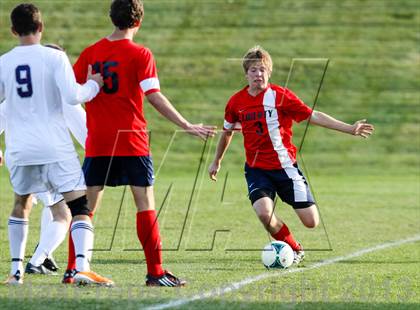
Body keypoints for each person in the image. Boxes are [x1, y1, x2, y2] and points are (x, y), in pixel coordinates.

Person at [62, 0, 216, 287]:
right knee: (145, 205)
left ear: (112, 18)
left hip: (99, 142)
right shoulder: (140, 53)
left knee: (85, 209)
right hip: (132, 141)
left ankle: (73, 269)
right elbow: (153, 95)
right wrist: (185, 124)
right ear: (139, 22)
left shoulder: (91, 53)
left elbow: (70, 90)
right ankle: (155, 272)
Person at [208, 46, 374, 263]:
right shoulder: (236, 102)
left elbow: (313, 115)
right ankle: (294, 249)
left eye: (262, 70)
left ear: (269, 72)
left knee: (311, 222)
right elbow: (227, 132)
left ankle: (293, 241)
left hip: (286, 168)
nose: (258, 74)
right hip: (257, 170)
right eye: (253, 70)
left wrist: (349, 128)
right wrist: (216, 161)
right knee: (264, 214)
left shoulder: (280, 96)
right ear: (246, 73)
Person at [0, 3, 113, 286]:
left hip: (19, 149)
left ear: (13, 30)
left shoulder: (3, 62)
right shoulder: (54, 58)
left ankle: (16, 272)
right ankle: (82, 269)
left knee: (21, 204)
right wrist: (95, 84)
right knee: (80, 207)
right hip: (54, 148)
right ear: (41, 28)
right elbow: (74, 96)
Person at [0, 65, 87, 275]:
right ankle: (37, 260)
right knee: (65, 213)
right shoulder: (62, 96)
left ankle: (35, 260)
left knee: (37, 206)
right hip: (49, 159)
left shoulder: (17, 96)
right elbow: (85, 131)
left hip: (19, 159)